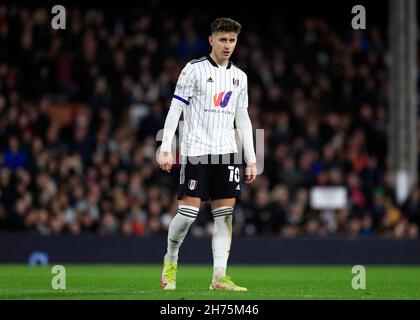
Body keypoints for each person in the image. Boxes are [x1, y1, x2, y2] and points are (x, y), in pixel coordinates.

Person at [157, 17, 257, 291]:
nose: (228, 45)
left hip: (226, 154)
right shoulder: (193, 70)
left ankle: (219, 276)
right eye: (223, 39)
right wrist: (166, 147)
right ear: (211, 40)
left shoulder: (240, 77)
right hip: (197, 152)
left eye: (232, 40)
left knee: (224, 216)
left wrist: (251, 158)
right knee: (188, 214)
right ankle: (171, 258)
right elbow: (175, 110)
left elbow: (243, 120)